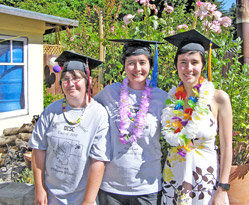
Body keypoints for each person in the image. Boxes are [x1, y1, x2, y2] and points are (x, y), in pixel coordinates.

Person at [28, 51, 110, 205]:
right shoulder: (51, 111)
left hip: (82, 198)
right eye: (66, 79)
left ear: (88, 81)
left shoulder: (98, 114)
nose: (70, 83)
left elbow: (98, 160)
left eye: (76, 78)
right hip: (51, 197)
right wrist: (39, 188)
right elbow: (38, 149)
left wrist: (88, 201)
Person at [161, 30, 232, 204]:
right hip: (174, 177)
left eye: (194, 62)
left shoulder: (218, 98)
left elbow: (226, 147)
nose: (189, 68)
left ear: (202, 65)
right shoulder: (171, 100)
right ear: (176, 66)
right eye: (183, 62)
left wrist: (222, 188)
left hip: (205, 180)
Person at [94, 39, 167, 205]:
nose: (137, 68)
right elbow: (88, 113)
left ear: (150, 65)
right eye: (131, 63)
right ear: (124, 66)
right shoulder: (109, 93)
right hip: (111, 187)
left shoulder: (162, 97)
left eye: (142, 62)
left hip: (148, 186)